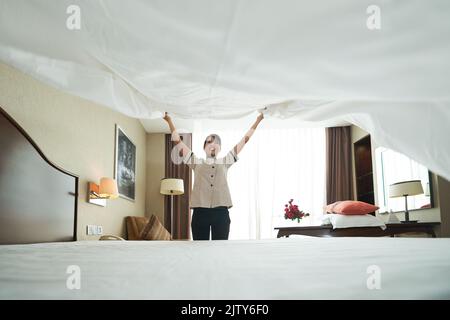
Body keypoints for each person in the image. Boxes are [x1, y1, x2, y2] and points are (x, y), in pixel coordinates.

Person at [163, 111, 264, 240]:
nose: (212, 144)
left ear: (220, 148)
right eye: (209, 142)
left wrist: (258, 120)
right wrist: (169, 121)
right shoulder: (195, 162)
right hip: (200, 213)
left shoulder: (226, 161)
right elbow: (177, 142)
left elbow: (244, 140)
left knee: (220, 251)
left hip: (221, 213)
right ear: (204, 147)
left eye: (216, 142)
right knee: (200, 250)